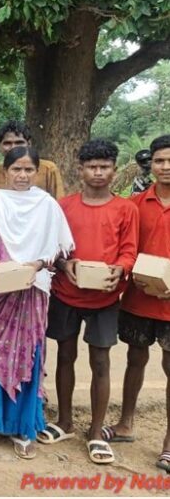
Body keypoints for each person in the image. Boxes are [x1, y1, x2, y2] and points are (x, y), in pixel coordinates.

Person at [0, 146, 74, 459]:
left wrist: (36, 266)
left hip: (32, 290)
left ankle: (22, 425)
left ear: (37, 172)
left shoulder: (47, 205)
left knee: (28, 355)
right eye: (17, 169)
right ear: (6, 170)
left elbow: (59, 248)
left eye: (29, 170)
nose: (23, 176)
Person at [39, 139, 138, 464]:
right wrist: (65, 265)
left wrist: (120, 270)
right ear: (80, 170)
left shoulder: (126, 209)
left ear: (113, 170)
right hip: (66, 293)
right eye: (92, 166)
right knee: (65, 355)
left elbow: (129, 249)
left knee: (101, 362)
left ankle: (96, 432)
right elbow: (54, 247)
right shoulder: (64, 206)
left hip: (105, 298)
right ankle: (65, 421)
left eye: (104, 166)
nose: (98, 172)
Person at [102, 134, 170, 474]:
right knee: (134, 359)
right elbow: (127, 247)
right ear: (150, 165)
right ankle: (126, 422)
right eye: (160, 161)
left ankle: (169, 443)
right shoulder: (136, 204)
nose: (165, 167)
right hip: (139, 298)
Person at [0, 120, 65, 199]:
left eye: (19, 142)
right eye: (7, 143)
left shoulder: (48, 169)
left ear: (29, 144)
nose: (13, 147)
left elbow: (59, 203)